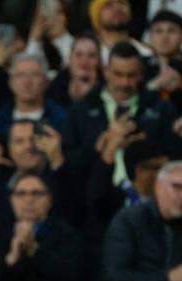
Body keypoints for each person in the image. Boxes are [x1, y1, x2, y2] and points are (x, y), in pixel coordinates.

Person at [63, 41, 182, 185]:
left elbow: (174, 157)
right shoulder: (81, 109)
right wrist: (98, 147)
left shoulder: (160, 107)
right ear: (106, 71)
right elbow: (68, 161)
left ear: (141, 73)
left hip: (147, 193)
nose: (124, 83)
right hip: (95, 195)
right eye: (118, 74)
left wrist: (143, 145)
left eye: (131, 75)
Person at [89, 161, 182, 281]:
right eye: (176, 187)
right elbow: (115, 278)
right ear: (158, 186)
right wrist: (169, 279)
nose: (181, 195)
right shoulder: (129, 221)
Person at [0, 53, 67, 140]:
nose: (27, 82)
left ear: (46, 82)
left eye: (35, 75)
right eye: (20, 75)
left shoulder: (63, 122)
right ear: (10, 83)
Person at [47, 34, 102, 109]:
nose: (84, 62)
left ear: (99, 61)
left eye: (91, 55)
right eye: (78, 55)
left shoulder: (108, 88)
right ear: (70, 59)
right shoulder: (54, 89)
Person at [89, 0, 153, 62]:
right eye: (108, 5)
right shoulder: (88, 54)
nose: (117, 8)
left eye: (121, 3)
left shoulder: (147, 52)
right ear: (96, 15)